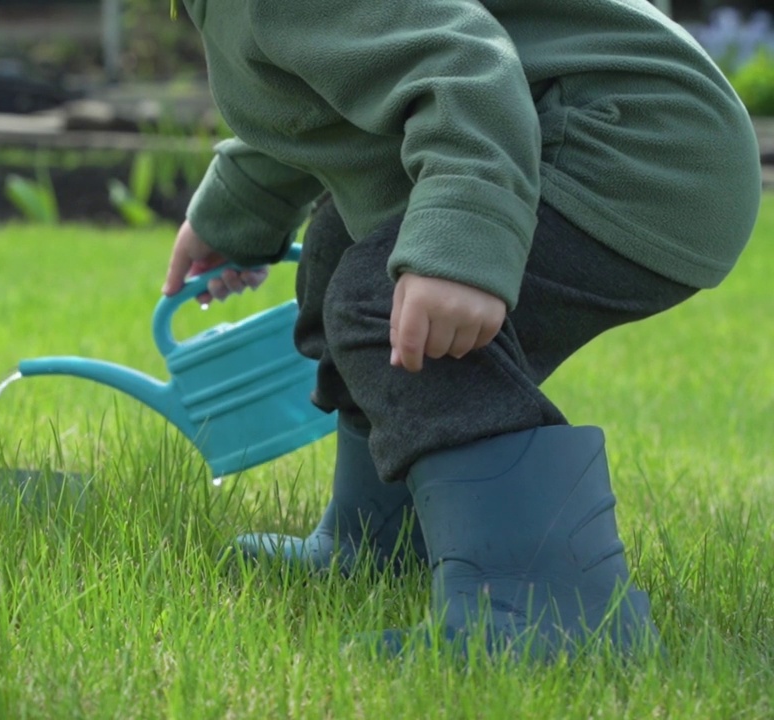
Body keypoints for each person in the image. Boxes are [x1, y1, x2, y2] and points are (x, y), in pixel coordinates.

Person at [161, 0, 762, 657]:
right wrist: (235, 210)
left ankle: (548, 615)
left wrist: (464, 240)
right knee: (343, 247)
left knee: (387, 301)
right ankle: (385, 538)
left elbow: (462, 64)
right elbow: (321, 88)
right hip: (569, 127)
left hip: (634, 153)